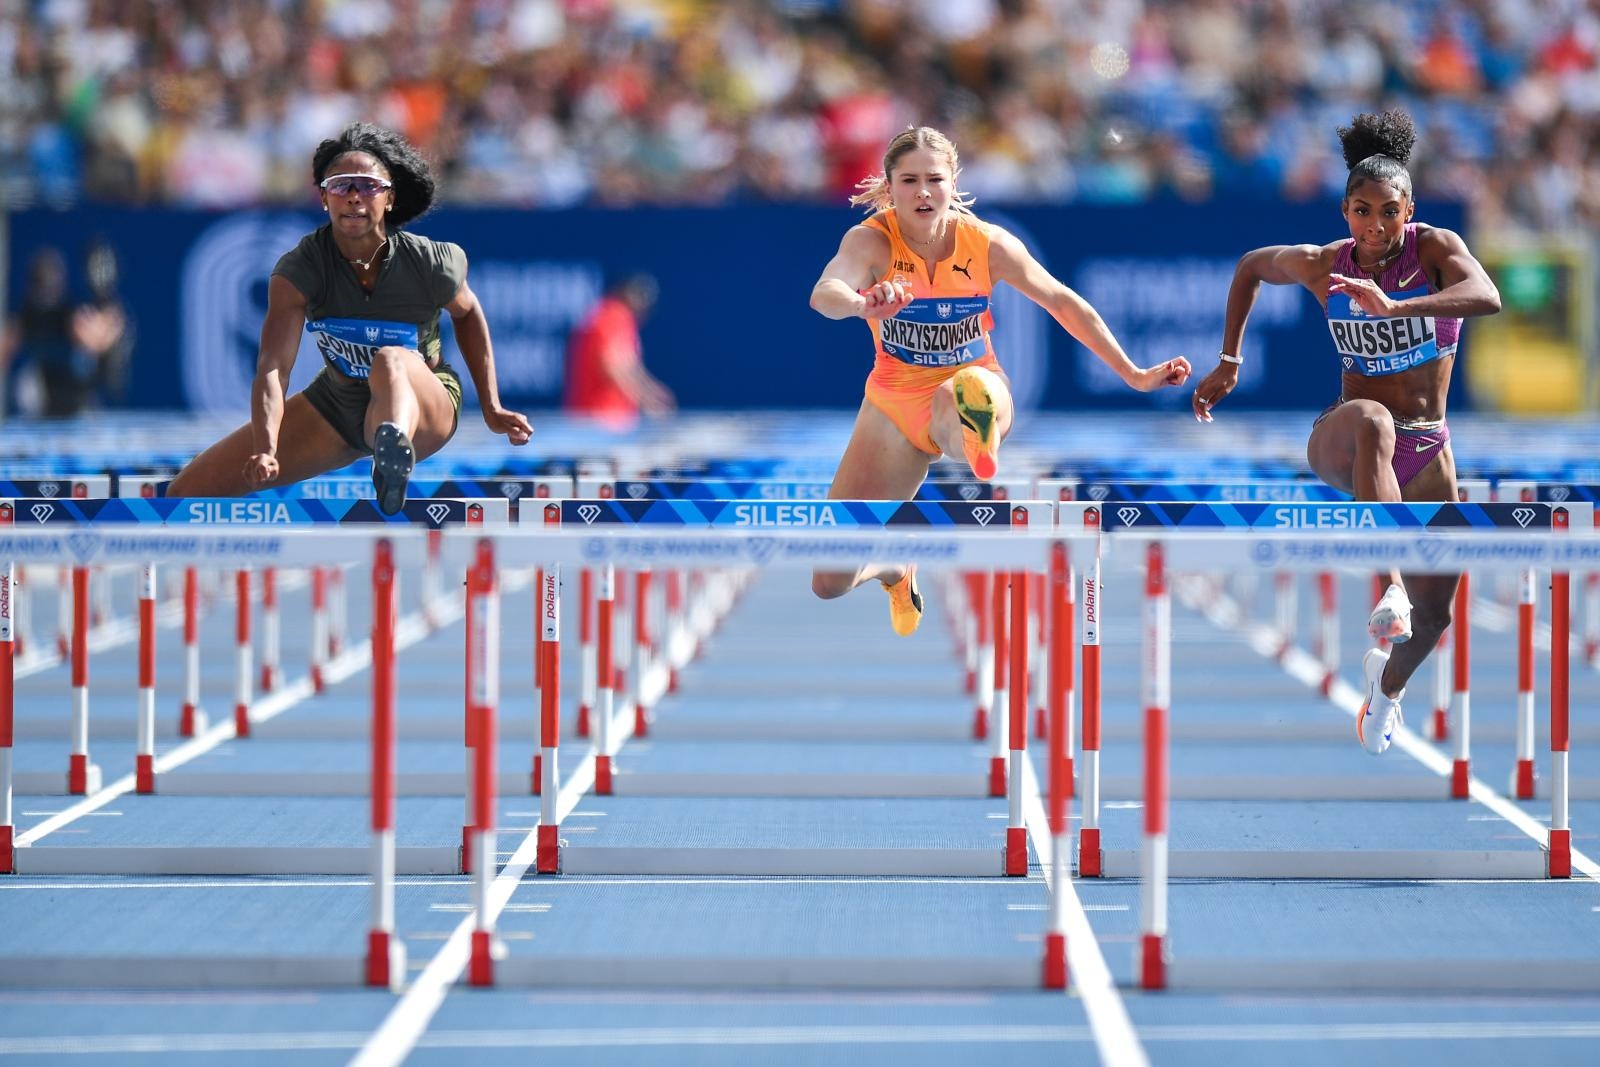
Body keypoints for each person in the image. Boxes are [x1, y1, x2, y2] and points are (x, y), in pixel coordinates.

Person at [1188, 109, 1501, 755]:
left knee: (1436, 615)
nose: (1375, 225)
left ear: (1409, 210)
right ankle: (1389, 584)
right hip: (1347, 434)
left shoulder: (1434, 250)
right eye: (1362, 211)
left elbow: (1487, 295)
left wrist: (1398, 306)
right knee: (1374, 421)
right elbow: (1249, 266)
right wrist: (1229, 360)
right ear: (1345, 212)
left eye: (1389, 212)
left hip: (1428, 444)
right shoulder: (1324, 265)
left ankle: (1385, 692)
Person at [809, 125, 1192, 636]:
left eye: (934, 179)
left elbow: (1062, 302)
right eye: (909, 181)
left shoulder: (988, 243)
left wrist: (1135, 374)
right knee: (829, 579)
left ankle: (975, 433)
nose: (923, 192)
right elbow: (825, 292)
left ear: (953, 182)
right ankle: (895, 565)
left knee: (958, 400)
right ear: (890, 186)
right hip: (893, 400)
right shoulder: (870, 240)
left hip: (974, 383)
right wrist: (861, 303)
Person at [166, 122, 531, 511]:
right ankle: (387, 449)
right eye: (341, 186)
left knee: (389, 361)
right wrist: (266, 446)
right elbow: (273, 368)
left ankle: (392, 455)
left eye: (368, 186)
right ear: (325, 198)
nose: (354, 196)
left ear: (389, 198)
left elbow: (468, 313)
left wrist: (491, 406)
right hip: (337, 406)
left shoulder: (429, 261)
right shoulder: (300, 268)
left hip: (425, 404)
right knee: (184, 493)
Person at [563, 273, 676, 426]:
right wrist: (648, 401)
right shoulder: (615, 315)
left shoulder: (603, 313)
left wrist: (651, 391)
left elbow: (628, 366)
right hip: (604, 418)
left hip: (590, 415)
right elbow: (612, 366)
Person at [1, 247, 97, 418]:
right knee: (27, 383)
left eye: (51, 284)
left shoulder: (69, 314)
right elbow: (4, 353)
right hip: (43, 388)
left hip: (73, 386)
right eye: (41, 282)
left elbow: (91, 344)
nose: (46, 292)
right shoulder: (25, 316)